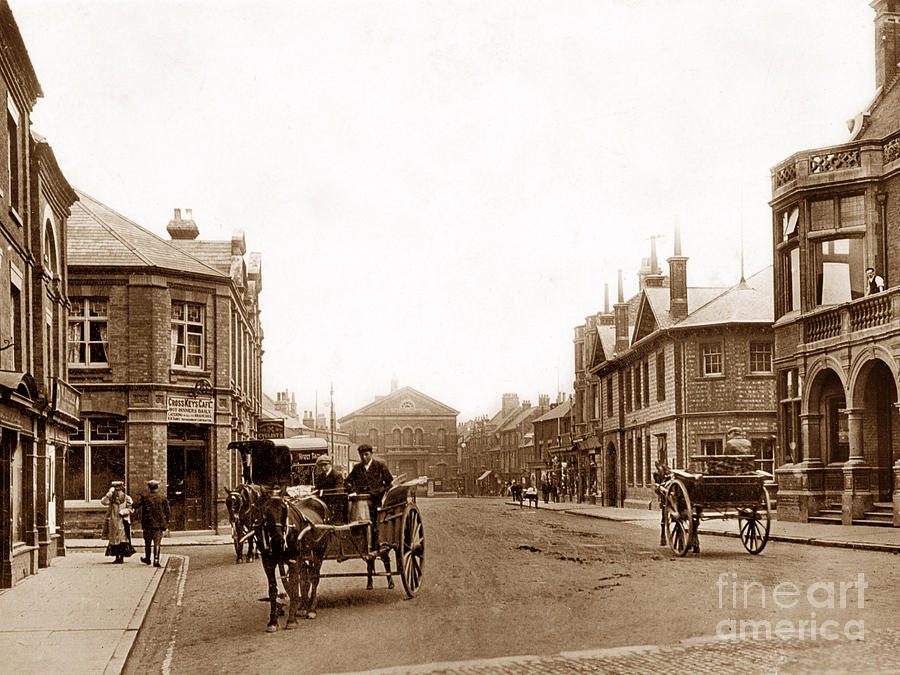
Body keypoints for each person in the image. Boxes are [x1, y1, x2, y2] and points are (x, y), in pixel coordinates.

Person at [346, 444, 394, 589]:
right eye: (362, 455)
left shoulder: (380, 466)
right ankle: (363, 548)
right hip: (361, 503)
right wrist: (353, 490)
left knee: (376, 533)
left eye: (366, 454)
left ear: (371, 454)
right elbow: (347, 482)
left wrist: (378, 491)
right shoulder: (357, 468)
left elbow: (389, 484)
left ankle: (388, 577)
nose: (364, 457)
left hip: (375, 503)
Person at [134, 479, 170, 567]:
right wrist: (166, 522)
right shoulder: (162, 497)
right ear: (157, 487)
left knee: (148, 542)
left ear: (149, 487)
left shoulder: (145, 497)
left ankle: (147, 558)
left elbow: (136, 505)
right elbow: (168, 511)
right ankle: (156, 560)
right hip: (159, 525)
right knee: (157, 543)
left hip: (148, 524)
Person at [101, 481, 135, 564]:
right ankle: (117, 557)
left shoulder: (127, 498)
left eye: (118, 490)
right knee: (114, 540)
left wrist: (124, 511)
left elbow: (131, 509)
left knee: (122, 539)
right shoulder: (111, 498)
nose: (117, 493)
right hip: (113, 522)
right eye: (115, 490)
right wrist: (108, 494)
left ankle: (122, 557)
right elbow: (103, 502)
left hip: (123, 521)